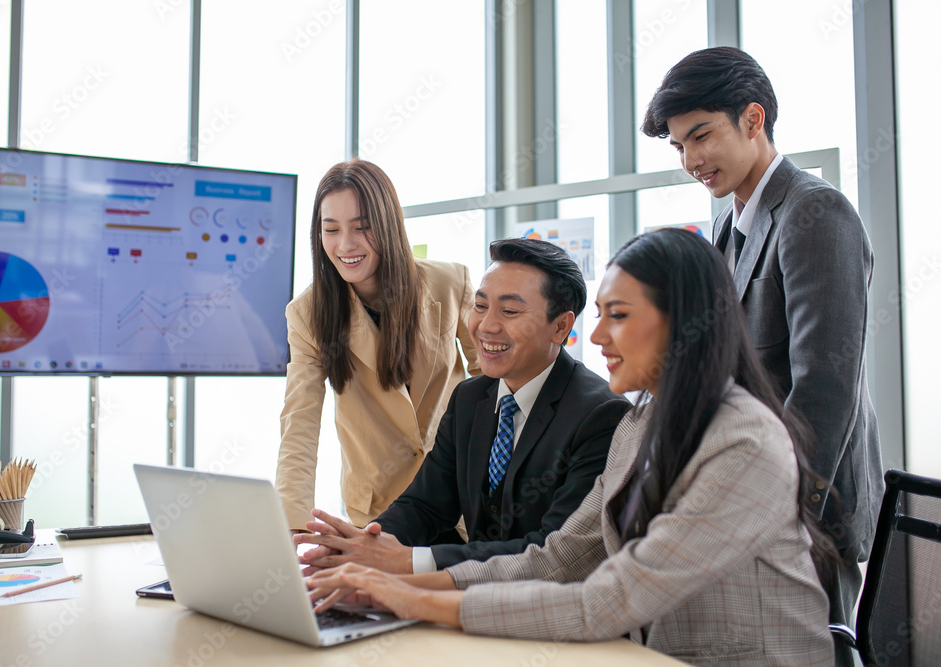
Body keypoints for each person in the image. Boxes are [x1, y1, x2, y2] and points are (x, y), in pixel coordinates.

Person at [307, 229, 835, 665]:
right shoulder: (641, 425)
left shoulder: (743, 442)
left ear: (683, 323)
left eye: (619, 315)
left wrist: (413, 598)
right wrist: (396, 584)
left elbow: (610, 600)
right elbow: (558, 559)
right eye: (600, 314)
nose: (598, 336)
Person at [641, 46, 882, 662]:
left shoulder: (815, 211)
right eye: (679, 146)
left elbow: (825, 387)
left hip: (803, 515)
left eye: (702, 136)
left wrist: (779, 513)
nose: (691, 160)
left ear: (753, 119)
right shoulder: (731, 224)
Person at [294, 238, 630, 573]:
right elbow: (426, 504)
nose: (486, 326)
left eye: (510, 311)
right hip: (470, 595)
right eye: (480, 306)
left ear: (561, 326)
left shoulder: (602, 415)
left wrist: (409, 560)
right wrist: (361, 544)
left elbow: (552, 552)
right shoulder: (470, 398)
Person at [276, 159, 480, 531]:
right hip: (381, 510)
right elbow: (299, 423)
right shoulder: (307, 314)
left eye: (362, 227)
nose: (345, 244)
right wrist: (294, 525)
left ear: (388, 224)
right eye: (331, 229)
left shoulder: (450, 283)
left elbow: (494, 381)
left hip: (460, 497)